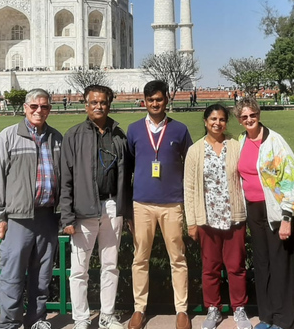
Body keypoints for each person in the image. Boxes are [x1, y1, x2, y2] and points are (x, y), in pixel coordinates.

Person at [0, 89, 63, 329]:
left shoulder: (56, 138)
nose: (39, 111)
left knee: (42, 276)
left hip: (47, 217)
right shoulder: (8, 137)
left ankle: (36, 319)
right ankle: (9, 322)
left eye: (45, 107)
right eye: (34, 106)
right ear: (25, 108)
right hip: (18, 218)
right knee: (13, 275)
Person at [60, 84, 132, 329]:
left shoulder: (119, 135)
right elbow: (66, 178)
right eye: (93, 102)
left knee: (110, 265)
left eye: (103, 102)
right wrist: (67, 217)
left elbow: (127, 176)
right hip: (84, 209)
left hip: (112, 205)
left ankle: (106, 316)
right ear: (85, 105)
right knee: (79, 269)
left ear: (109, 104)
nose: (98, 106)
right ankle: (81, 318)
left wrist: (125, 210)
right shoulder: (74, 135)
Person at [127, 80, 194, 329]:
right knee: (140, 258)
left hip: (172, 203)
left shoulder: (179, 129)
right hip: (142, 203)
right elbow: (130, 168)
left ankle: (181, 309)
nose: (155, 104)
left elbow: (190, 165)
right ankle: (138, 309)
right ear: (144, 102)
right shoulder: (134, 130)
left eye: (159, 99)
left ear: (167, 100)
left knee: (177, 258)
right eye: (150, 100)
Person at [236, 96, 294, 329]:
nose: (249, 119)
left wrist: (287, 217)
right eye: (244, 116)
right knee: (263, 264)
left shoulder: (275, 142)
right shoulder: (241, 140)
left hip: (275, 211)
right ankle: (267, 317)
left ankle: (285, 321)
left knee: (280, 264)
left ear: (259, 114)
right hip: (253, 211)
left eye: (252, 114)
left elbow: (291, 179)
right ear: (239, 120)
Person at [184, 104, 251, 329]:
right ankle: (213, 309)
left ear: (226, 123)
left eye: (221, 119)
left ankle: (239, 308)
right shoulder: (195, 150)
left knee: (236, 266)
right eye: (213, 119)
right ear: (205, 121)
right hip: (208, 218)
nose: (217, 123)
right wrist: (192, 222)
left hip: (233, 216)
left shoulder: (235, 146)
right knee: (210, 267)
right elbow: (189, 189)